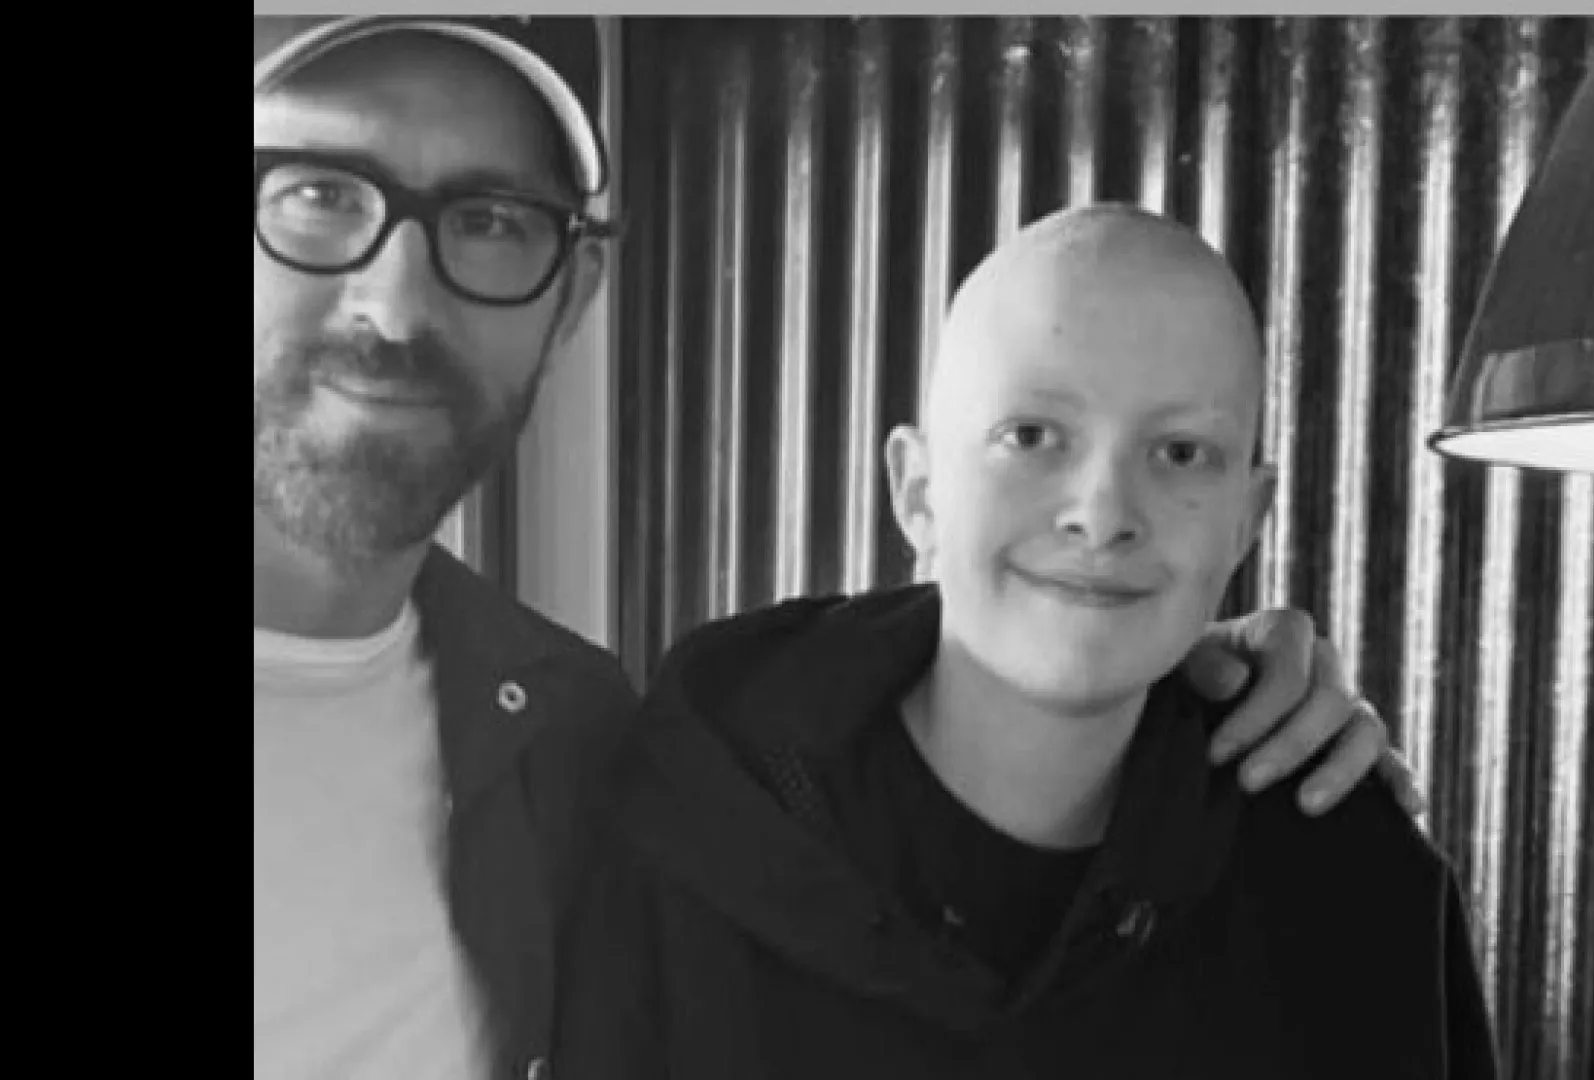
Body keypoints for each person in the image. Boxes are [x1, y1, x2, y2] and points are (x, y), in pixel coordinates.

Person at [253, 16, 1423, 1080]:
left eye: (491, 221)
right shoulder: (676, 794)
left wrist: (1192, 664)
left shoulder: (564, 735)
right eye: (315, 193)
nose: (392, 303)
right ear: (916, 486)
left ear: (573, 292)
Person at [553, 204, 1499, 1079]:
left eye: (1180, 453)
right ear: (918, 489)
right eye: (1033, 434)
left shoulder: (1350, 886)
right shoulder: (686, 831)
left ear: (1247, 521)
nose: (1103, 512)